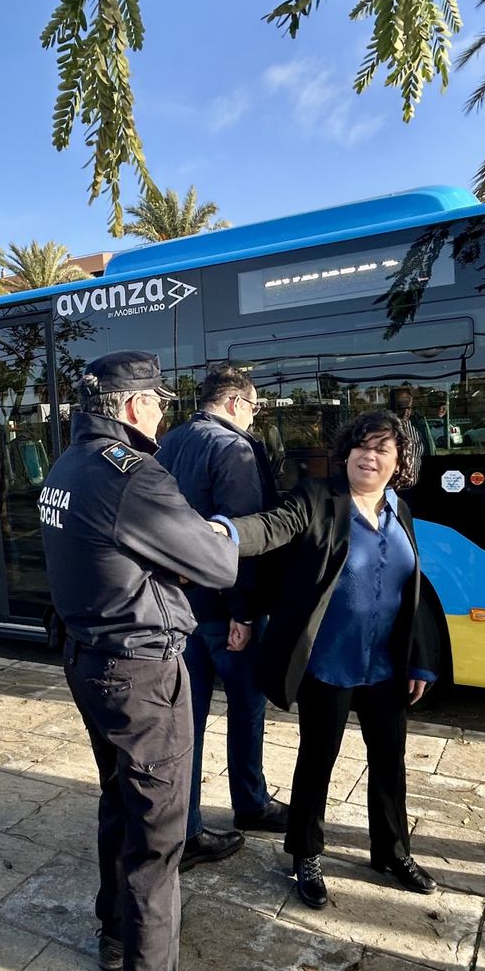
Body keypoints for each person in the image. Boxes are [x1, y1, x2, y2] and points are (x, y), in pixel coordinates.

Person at [39, 350, 240, 971]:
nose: (163, 411)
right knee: (158, 854)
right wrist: (214, 536)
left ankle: (114, 932)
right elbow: (218, 567)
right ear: (130, 406)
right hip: (144, 678)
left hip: (90, 665)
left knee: (118, 804)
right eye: (157, 399)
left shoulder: (65, 468)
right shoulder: (136, 475)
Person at [212, 408, 444, 909]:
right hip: (328, 662)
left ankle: (391, 850)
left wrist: (420, 661)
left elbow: (414, 592)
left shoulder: (398, 510)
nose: (370, 455)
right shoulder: (318, 499)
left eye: (383, 448)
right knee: (318, 759)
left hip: (386, 665)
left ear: (399, 459)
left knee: (390, 761)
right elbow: (272, 526)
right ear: (347, 453)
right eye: (362, 445)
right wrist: (226, 532)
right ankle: (306, 853)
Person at [156, 365, 289, 871]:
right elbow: (240, 539)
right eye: (254, 409)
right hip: (223, 611)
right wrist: (244, 612)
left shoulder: (169, 442)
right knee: (246, 706)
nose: (254, 418)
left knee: (184, 723)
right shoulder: (233, 447)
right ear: (235, 403)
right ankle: (250, 803)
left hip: (178, 609)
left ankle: (185, 827)